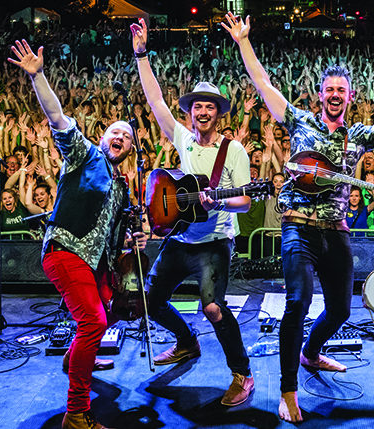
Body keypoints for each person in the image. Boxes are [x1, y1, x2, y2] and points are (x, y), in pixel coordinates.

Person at [223, 13, 374, 422]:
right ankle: (288, 392)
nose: (335, 94)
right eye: (329, 89)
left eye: (342, 90)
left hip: (335, 230)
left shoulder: (357, 136)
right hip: (298, 226)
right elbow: (263, 84)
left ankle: (311, 353)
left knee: (339, 312)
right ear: (320, 95)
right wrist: (244, 42)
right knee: (298, 303)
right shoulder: (299, 120)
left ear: (349, 97)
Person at [8, 39, 146, 429]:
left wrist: (133, 241)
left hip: (94, 261)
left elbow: (115, 237)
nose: (120, 137)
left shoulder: (122, 187)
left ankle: (75, 358)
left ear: (131, 149)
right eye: (114, 132)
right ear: (103, 138)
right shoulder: (85, 154)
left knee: (112, 305)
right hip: (66, 251)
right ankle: (77, 412)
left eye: (127, 137)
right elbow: (58, 118)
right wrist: (37, 77)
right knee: (93, 322)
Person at [131, 18, 254, 408]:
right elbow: (154, 100)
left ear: (218, 114)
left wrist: (218, 201)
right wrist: (141, 55)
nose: (202, 111)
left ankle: (242, 375)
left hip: (214, 243)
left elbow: (247, 201)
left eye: (210, 107)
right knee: (148, 300)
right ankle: (186, 343)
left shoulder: (233, 152)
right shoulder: (182, 137)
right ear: (189, 113)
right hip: (179, 238)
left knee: (214, 308)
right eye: (197, 106)